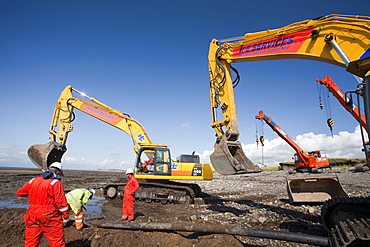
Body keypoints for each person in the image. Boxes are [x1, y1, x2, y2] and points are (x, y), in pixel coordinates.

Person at [16, 162, 69, 247]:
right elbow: (61, 202)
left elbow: (20, 193)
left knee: (31, 242)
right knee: (57, 242)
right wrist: (65, 215)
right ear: (58, 172)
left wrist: (34, 193)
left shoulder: (33, 180)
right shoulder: (55, 183)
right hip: (49, 215)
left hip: (32, 214)